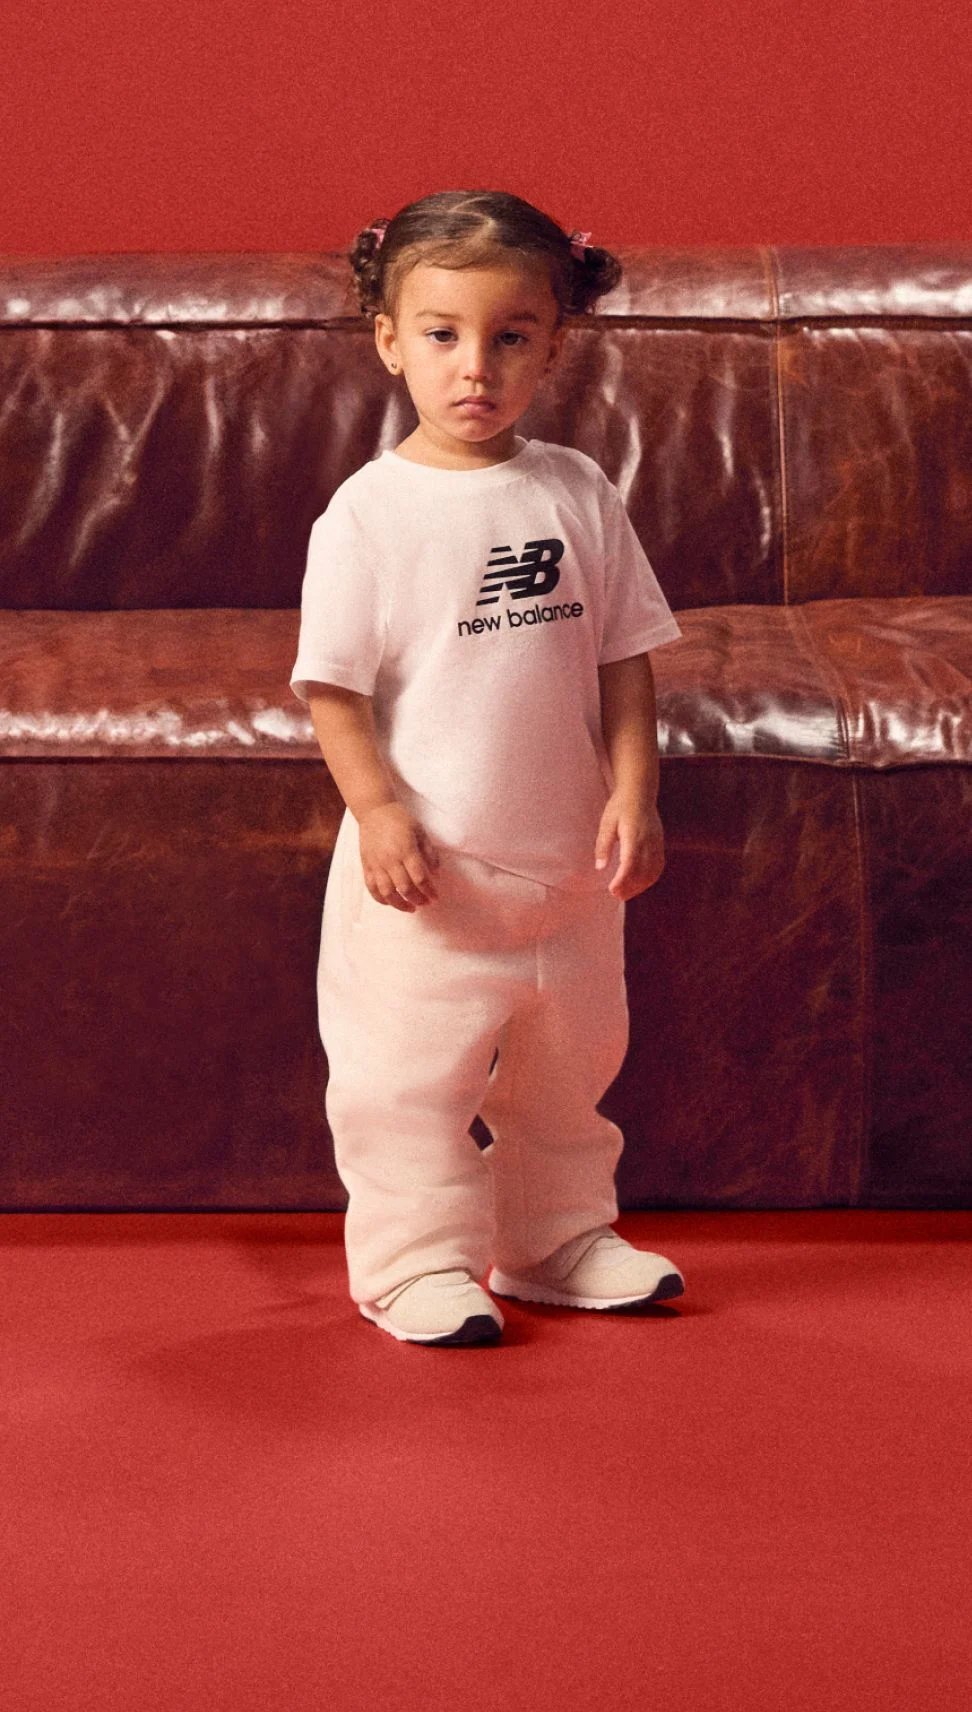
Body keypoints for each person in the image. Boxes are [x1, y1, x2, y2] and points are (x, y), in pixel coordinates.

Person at [290, 188, 687, 1347]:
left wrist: (636, 791)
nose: (477, 366)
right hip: (429, 876)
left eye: (511, 336)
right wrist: (378, 813)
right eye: (443, 334)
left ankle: (555, 1238)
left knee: (569, 1069)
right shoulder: (368, 516)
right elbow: (333, 690)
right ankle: (414, 1261)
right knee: (405, 1081)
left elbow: (622, 659)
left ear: (553, 345)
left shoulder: (577, 490)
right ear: (389, 339)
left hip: (571, 865)